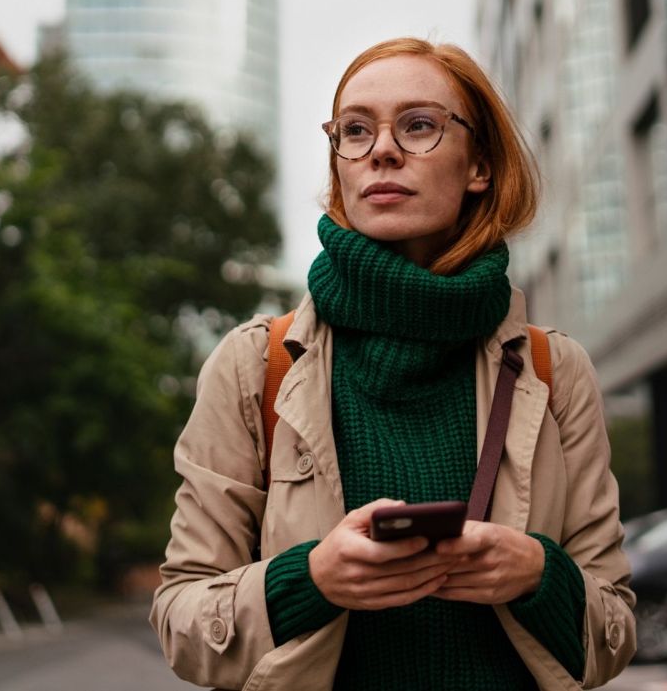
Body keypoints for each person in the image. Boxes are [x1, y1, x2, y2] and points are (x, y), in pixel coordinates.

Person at [150, 37, 637, 690]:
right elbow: (181, 620)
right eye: (355, 130)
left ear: (479, 167)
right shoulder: (253, 364)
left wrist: (537, 575)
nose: (381, 149)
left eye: (419, 125)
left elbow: (613, 635)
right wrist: (312, 578)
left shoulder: (554, 369)